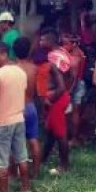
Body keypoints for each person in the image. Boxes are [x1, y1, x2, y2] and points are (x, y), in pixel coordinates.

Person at [0, 42, 30, 192]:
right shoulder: (20, 71)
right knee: (22, 156)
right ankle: (26, 189)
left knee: (1, 161)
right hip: (19, 119)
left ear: (4, 55)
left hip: (2, 122)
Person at [39, 29, 73, 174]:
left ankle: (64, 166)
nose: (40, 42)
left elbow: (60, 83)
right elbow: (70, 75)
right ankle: (42, 159)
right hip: (61, 95)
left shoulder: (53, 58)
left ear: (49, 41)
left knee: (60, 133)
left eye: (42, 40)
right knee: (50, 131)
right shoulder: (63, 52)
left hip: (57, 98)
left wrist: (49, 98)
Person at [13, 37, 42, 178]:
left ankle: (14, 173)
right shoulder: (35, 68)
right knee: (33, 140)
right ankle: (35, 172)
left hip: (16, 108)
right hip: (30, 106)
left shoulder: (12, 69)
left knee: (14, 142)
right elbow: (39, 91)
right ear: (29, 50)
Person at [62, 34, 87, 146]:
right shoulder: (79, 53)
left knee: (73, 112)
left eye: (66, 44)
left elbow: (74, 77)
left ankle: (73, 138)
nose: (63, 46)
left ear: (74, 44)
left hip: (75, 86)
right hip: (79, 84)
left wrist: (69, 90)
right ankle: (74, 136)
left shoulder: (75, 58)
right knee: (75, 112)